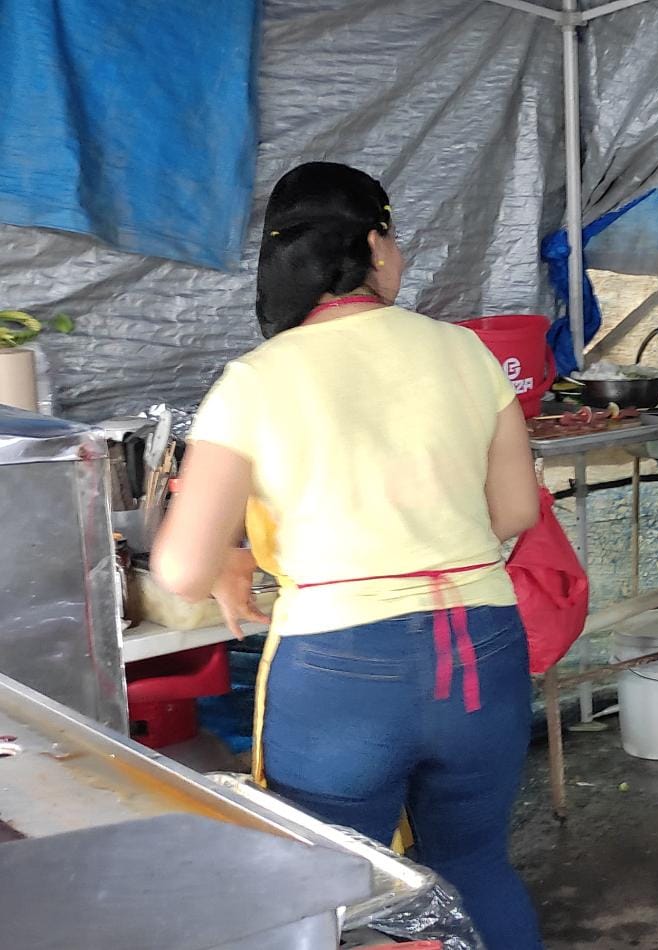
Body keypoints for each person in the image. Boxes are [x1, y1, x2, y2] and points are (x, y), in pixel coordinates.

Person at [152, 162, 544, 949]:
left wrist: (230, 556)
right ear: (373, 245)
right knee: (475, 864)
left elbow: (183, 570)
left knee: (332, 896)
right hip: (482, 648)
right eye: (395, 239)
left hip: (341, 670)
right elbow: (515, 511)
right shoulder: (464, 352)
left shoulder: (255, 381)